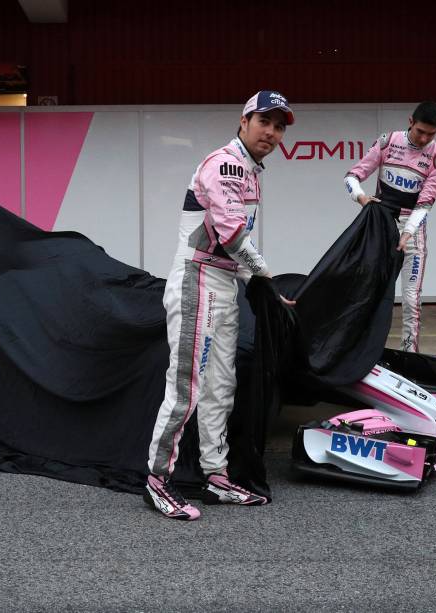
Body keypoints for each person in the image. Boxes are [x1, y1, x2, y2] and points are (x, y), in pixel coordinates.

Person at [144, 91, 295, 520]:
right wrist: (264, 275)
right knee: (186, 386)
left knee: (221, 388)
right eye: (264, 121)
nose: (272, 132)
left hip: (224, 284)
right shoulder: (225, 163)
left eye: (279, 126)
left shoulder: (250, 170)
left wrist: (260, 285)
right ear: (244, 120)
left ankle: (215, 476)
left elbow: (232, 246)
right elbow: (231, 236)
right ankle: (157, 481)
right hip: (197, 281)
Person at [344, 102, 436, 353]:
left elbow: (425, 204)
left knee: (412, 300)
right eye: (420, 131)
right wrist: (360, 197)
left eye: (431, 134)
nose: (424, 138)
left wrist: (408, 232)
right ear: (410, 121)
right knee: (368, 291)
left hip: (412, 231)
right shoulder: (388, 141)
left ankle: (409, 355)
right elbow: (351, 177)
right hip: (381, 225)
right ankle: (360, 351)